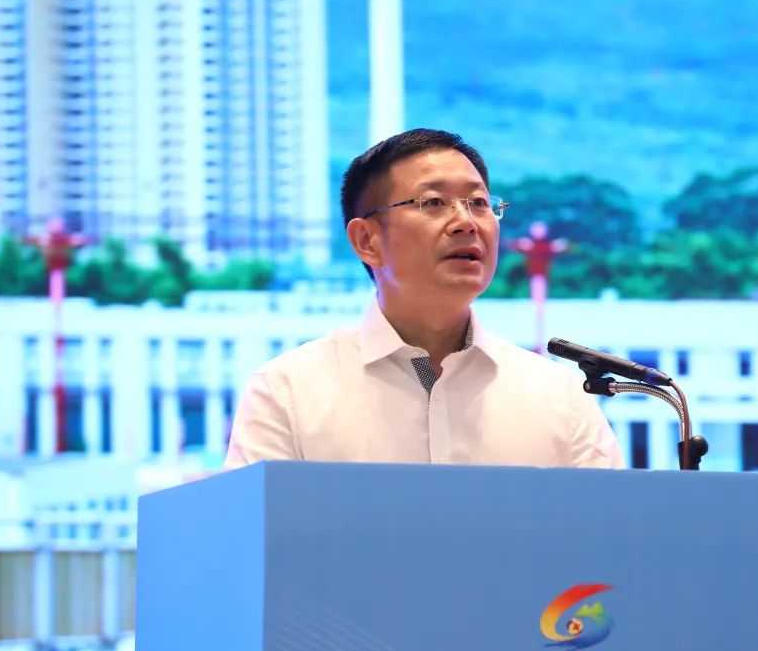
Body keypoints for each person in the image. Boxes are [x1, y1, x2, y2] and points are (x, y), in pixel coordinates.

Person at [223, 129, 623, 469]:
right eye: (433, 203)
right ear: (366, 240)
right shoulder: (287, 393)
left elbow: (609, 533)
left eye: (479, 203)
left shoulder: (560, 399)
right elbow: (250, 533)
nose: (466, 222)